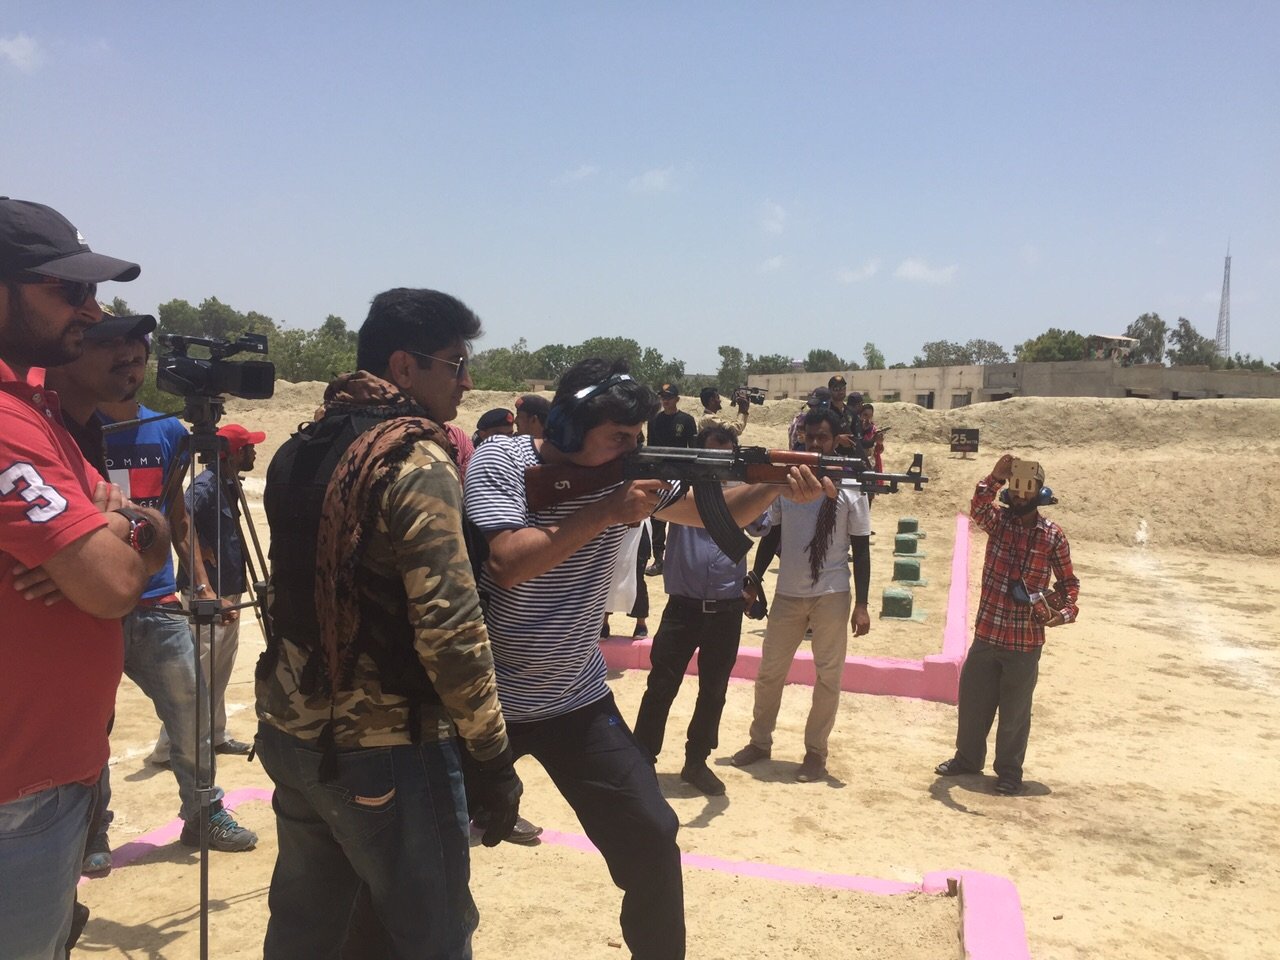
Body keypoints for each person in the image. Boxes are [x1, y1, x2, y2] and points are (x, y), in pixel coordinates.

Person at [464, 358, 829, 958]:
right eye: (619, 438)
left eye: (637, 439)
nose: (633, 450)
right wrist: (609, 510)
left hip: (573, 699)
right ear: (570, 424)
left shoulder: (631, 474)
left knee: (654, 838)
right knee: (428, 853)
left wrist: (774, 483)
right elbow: (505, 562)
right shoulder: (502, 460)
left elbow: (722, 515)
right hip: (479, 702)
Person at [257, 288, 520, 959]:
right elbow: (451, 630)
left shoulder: (302, 446)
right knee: (431, 933)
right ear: (405, 367)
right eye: (455, 364)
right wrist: (492, 756)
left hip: (293, 730)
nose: (466, 382)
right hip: (384, 744)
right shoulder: (413, 458)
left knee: (306, 930)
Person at [0, 197, 171, 959]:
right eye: (66, 290)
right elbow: (108, 585)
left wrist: (129, 526)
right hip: (17, 791)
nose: (91, 309)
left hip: (46, 777)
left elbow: (138, 538)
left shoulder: (32, 406)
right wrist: (110, 539)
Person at [47, 315, 256, 871]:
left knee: (192, 710)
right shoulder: (64, 430)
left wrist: (203, 584)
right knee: (94, 724)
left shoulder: (167, 432)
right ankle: (94, 829)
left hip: (158, 601)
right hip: (91, 603)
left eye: (138, 352)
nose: (130, 361)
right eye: (114, 349)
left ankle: (203, 812)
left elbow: (178, 516)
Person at [731, 407, 872, 784]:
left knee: (828, 678)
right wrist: (756, 577)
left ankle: (815, 753)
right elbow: (773, 535)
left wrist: (861, 604)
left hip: (832, 592)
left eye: (822, 437)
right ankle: (759, 743)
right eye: (809, 437)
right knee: (769, 673)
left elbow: (861, 548)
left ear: (836, 440)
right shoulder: (786, 484)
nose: (814, 443)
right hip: (789, 593)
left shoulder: (852, 487)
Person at [632, 425, 769, 796]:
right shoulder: (681, 490)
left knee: (714, 690)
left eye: (725, 458)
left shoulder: (743, 496)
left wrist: (750, 487)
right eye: (711, 456)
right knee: (661, 685)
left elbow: (760, 526)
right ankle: (642, 759)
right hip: (683, 606)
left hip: (725, 609)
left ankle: (697, 761)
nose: (718, 465)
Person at [934, 454, 1079, 796]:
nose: (1021, 495)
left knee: (1015, 713)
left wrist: (1060, 612)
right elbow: (979, 505)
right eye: (1016, 488)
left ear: (1041, 493)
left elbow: (1070, 585)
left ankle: (1010, 772)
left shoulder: (1052, 537)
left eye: (1028, 489)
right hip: (987, 634)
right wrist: (995, 476)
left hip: (1025, 641)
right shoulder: (998, 523)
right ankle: (967, 759)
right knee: (973, 703)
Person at [148, 422, 266, 768]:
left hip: (229, 589)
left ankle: (215, 734)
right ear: (234, 452)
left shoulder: (226, 483)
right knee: (197, 672)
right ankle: (169, 747)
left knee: (220, 669)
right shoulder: (205, 485)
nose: (254, 452)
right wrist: (202, 552)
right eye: (249, 447)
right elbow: (179, 520)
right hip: (207, 594)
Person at [643, 383, 697, 577]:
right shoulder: (654, 420)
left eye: (669, 397)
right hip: (660, 475)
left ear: (677, 399)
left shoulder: (687, 420)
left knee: (683, 520)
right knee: (657, 518)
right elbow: (651, 448)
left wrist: (691, 477)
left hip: (680, 476)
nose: (665, 401)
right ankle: (659, 559)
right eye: (663, 397)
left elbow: (694, 450)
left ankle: (683, 562)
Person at [786, 386, 831, 451]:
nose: (813, 409)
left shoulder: (832, 420)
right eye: (811, 406)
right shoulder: (799, 421)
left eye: (816, 406)